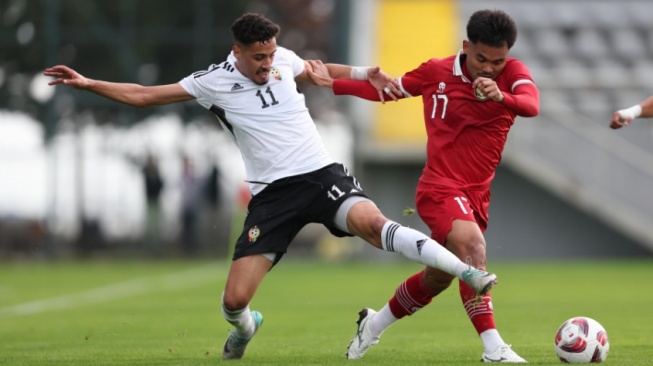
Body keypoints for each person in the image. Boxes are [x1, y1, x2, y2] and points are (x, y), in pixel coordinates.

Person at [43, 13, 498, 361]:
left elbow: (317, 68)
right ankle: (244, 329)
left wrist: (363, 74)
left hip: (321, 175)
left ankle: (467, 272)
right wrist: (87, 84)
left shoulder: (283, 59)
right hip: (273, 197)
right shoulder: (211, 83)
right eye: (258, 57)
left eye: (271, 54)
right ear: (237, 52)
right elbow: (143, 95)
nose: (268, 64)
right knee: (234, 300)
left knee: (373, 224)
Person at [307, 9, 539, 363]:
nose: (490, 68)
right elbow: (389, 91)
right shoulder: (437, 71)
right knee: (473, 247)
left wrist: (500, 96)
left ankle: (373, 324)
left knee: (438, 278)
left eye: (498, 60)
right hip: (439, 187)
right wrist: (333, 84)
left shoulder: (513, 74)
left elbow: (531, 105)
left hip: (477, 194)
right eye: (481, 59)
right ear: (465, 46)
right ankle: (493, 347)